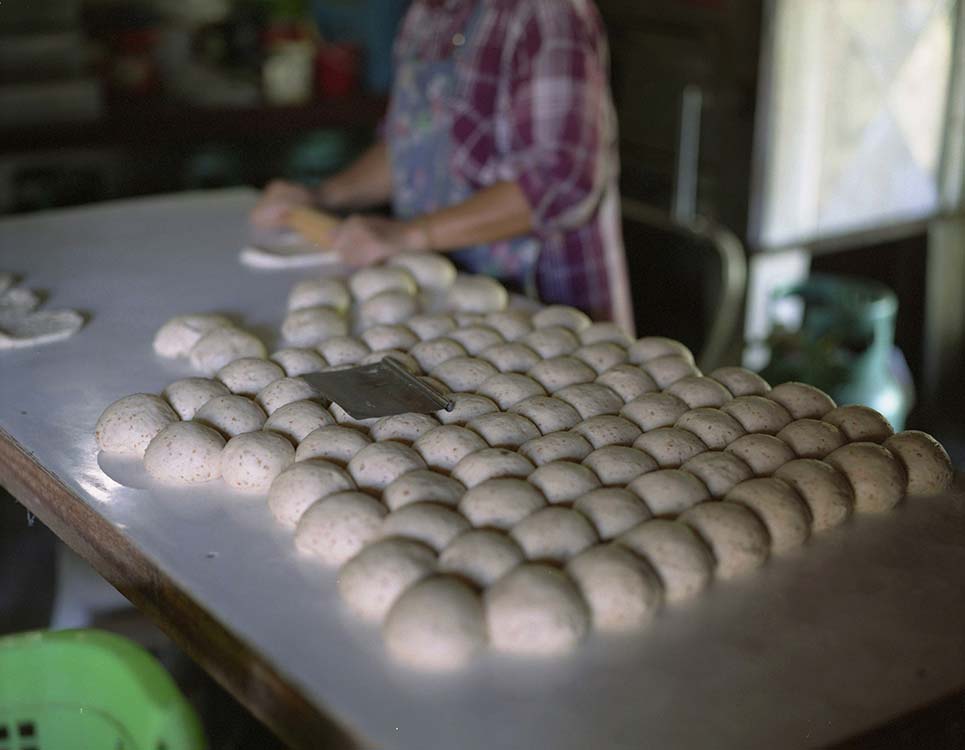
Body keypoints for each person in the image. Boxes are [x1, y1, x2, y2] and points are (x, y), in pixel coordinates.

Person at [252, 0, 630, 326]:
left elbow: (560, 182)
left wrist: (409, 235)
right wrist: (320, 196)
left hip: (545, 307)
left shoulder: (544, 11)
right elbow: (409, 145)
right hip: (443, 301)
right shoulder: (428, 12)